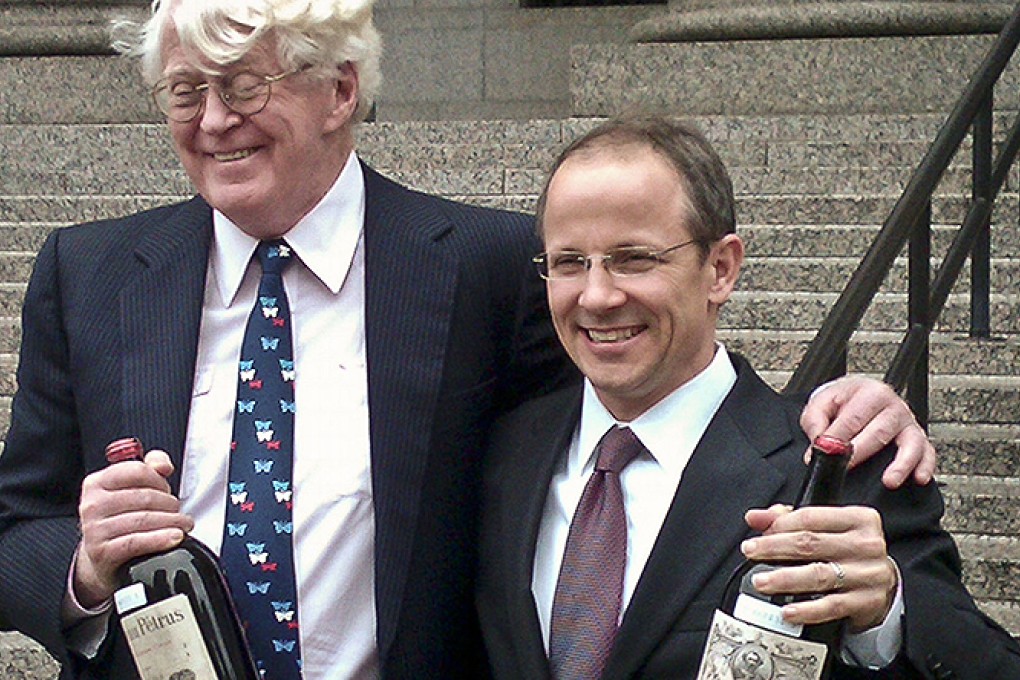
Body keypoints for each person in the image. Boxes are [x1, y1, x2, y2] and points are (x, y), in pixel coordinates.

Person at [0, 1, 935, 678]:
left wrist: (836, 414)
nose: (212, 121)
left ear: (340, 91)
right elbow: (15, 531)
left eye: (244, 86)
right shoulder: (88, 274)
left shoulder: (487, 266)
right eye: (184, 92)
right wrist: (82, 568)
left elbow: (639, 380)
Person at [476, 114, 1020, 679]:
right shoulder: (498, 455)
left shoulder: (842, 470)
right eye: (569, 263)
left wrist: (887, 617)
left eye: (633, 258)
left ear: (720, 269)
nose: (597, 296)